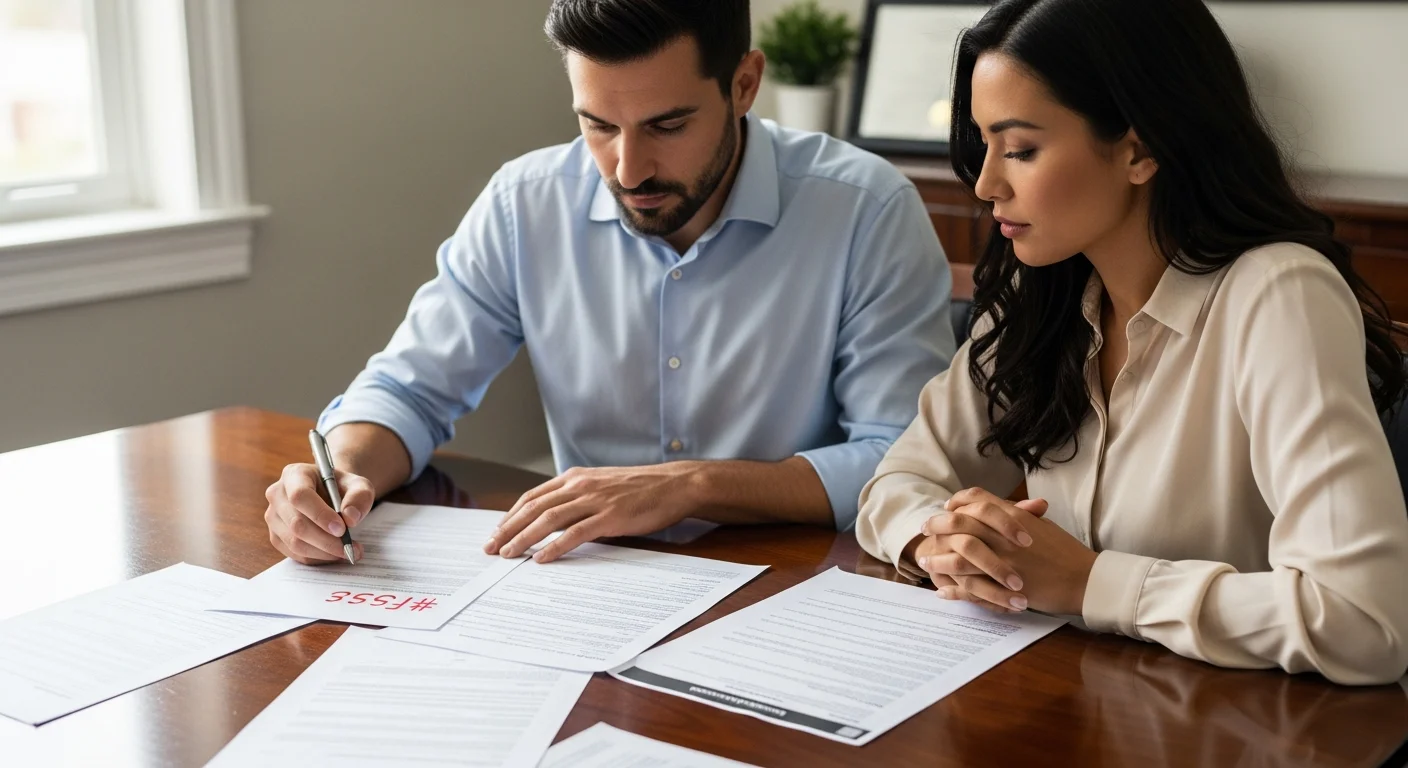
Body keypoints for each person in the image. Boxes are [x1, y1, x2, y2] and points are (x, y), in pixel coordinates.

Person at [263, 0, 954, 567]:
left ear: (744, 84)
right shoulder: (524, 203)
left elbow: (899, 460)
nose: (628, 169)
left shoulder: (867, 210)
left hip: (796, 590)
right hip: (590, 590)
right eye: (597, 125)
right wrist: (342, 477)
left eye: (668, 125)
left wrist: (693, 486)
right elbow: (406, 390)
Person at [857, 0, 1408, 685]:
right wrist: (940, 542)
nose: (988, 183)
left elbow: (1364, 622)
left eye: (1022, 149)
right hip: (1070, 706)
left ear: (1139, 148)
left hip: (1243, 727)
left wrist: (1093, 583)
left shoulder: (1278, 294)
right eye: (984, 145)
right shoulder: (1043, 291)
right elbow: (897, 481)